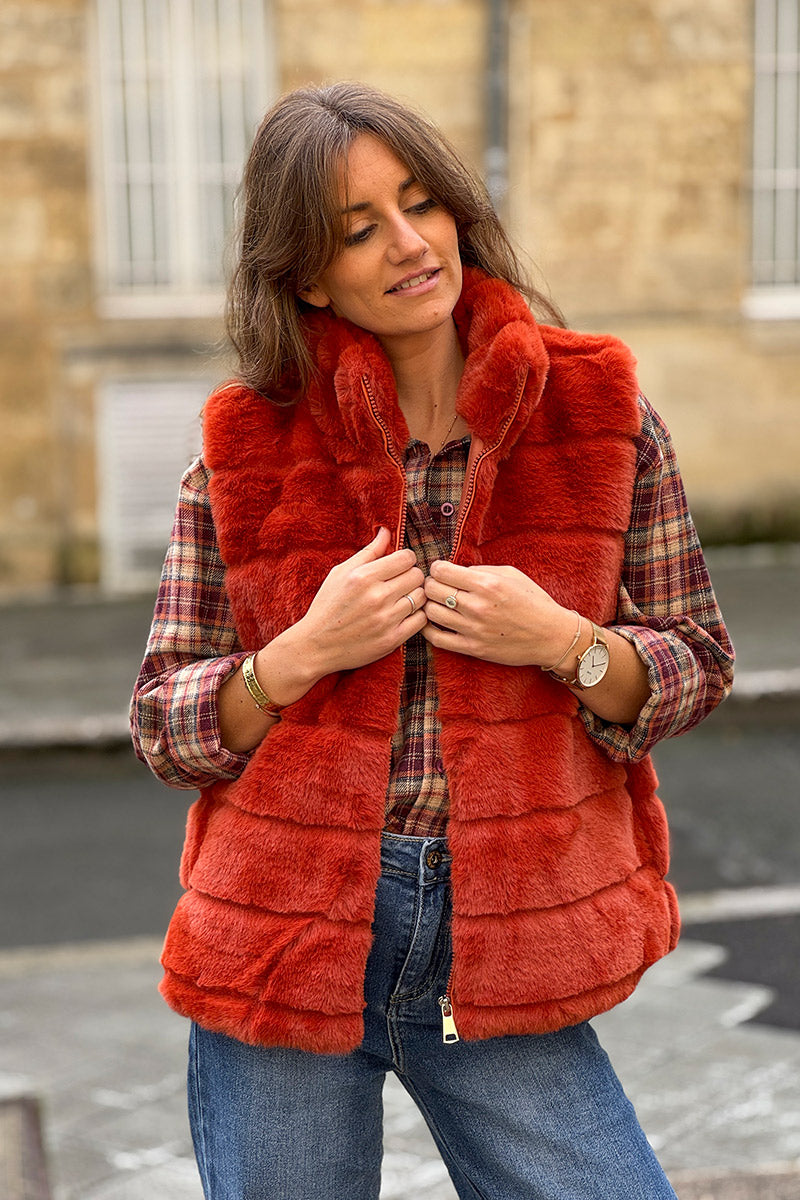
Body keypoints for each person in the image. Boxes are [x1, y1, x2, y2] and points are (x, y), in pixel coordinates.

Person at [131, 81, 734, 1200]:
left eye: (421, 205)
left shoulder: (596, 412)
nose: (409, 246)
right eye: (358, 230)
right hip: (278, 942)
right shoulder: (244, 441)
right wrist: (294, 657)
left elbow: (694, 658)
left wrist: (564, 641)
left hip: (506, 937)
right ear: (307, 273)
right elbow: (166, 724)